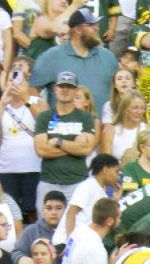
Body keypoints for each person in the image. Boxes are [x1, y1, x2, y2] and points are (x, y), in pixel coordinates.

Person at [33, 70, 97, 214]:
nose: (65, 90)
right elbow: (41, 150)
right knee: (46, 225)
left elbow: (86, 150)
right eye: (62, 86)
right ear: (55, 90)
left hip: (77, 182)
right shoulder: (45, 117)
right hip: (49, 182)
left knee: (77, 226)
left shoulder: (85, 117)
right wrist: (75, 145)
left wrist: (59, 142)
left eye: (69, 87)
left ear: (75, 91)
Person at [31, 7, 118, 108]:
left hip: (103, 123)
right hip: (64, 123)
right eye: (91, 25)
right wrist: (44, 115)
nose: (97, 28)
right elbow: (31, 89)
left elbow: (120, 91)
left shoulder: (108, 57)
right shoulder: (52, 57)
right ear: (78, 30)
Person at [0, 54, 46, 218]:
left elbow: (45, 122)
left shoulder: (38, 102)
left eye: (19, 80)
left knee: (33, 211)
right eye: (11, 80)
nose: (14, 84)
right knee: (7, 212)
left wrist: (26, 99)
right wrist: (3, 101)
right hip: (5, 168)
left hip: (33, 167)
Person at [55, 153, 122, 246]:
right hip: (64, 243)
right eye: (116, 172)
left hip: (80, 244)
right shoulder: (88, 185)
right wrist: (69, 243)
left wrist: (115, 200)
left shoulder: (102, 193)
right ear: (105, 170)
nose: (118, 177)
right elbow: (72, 211)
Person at [58, 196, 114, 264]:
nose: (120, 221)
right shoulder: (95, 247)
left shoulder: (79, 231)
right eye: (119, 218)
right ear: (110, 221)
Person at [16, 189, 66, 264]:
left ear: (66, 210)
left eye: (58, 208)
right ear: (42, 210)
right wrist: (21, 259)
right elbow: (17, 252)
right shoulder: (31, 231)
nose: (53, 212)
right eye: (49, 208)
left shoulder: (73, 231)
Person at [101, 92, 147, 161]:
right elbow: (105, 163)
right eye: (135, 108)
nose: (139, 112)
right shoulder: (110, 131)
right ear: (124, 109)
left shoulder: (149, 130)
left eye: (142, 108)